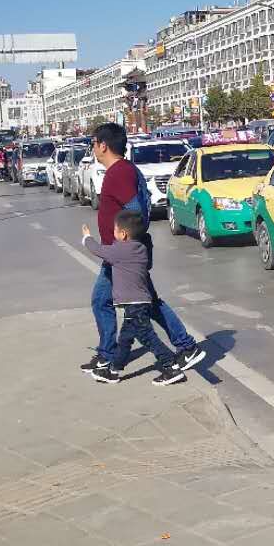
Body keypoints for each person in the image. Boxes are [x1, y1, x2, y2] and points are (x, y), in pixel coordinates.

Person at [81, 123, 205, 378]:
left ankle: (181, 347)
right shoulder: (125, 169)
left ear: (103, 145)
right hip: (123, 254)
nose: (92, 148)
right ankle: (181, 346)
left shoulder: (119, 173)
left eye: (93, 143)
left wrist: (126, 246)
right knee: (140, 300)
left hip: (122, 256)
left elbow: (136, 211)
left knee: (114, 302)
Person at [82, 211, 185, 386]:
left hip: (134, 305)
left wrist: (87, 238)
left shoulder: (120, 251)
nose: (113, 233)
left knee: (147, 337)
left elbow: (97, 250)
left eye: (115, 230)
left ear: (123, 234)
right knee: (125, 340)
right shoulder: (141, 249)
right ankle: (113, 371)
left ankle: (171, 366)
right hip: (140, 302)